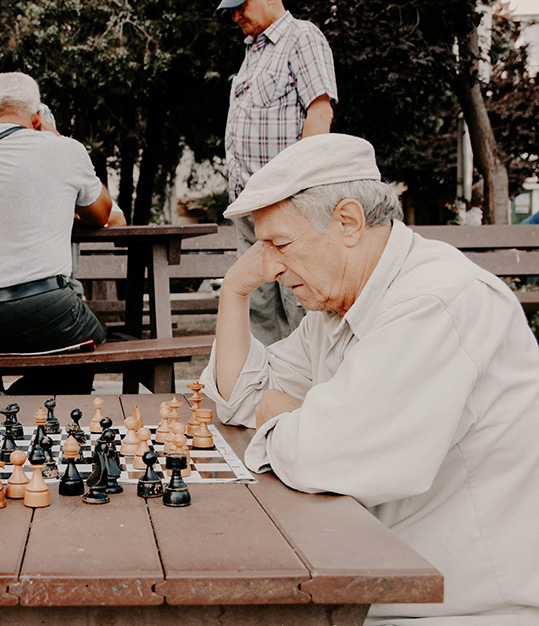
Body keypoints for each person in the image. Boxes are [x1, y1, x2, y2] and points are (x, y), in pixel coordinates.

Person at [199, 134, 539, 624]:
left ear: (348, 222)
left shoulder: (435, 303)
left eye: (280, 244)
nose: (269, 267)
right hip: (376, 578)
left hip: (461, 606)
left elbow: (324, 455)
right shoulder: (338, 304)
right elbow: (242, 401)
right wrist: (233, 291)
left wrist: (292, 415)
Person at [0, 72, 114, 395]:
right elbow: (101, 214)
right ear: (37, 118)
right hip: (44, 311)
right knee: (93, 340)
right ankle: (15, 403)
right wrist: (56, 136)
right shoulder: (65, 149)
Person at [216, 0, 337, 345]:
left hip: (286, 202)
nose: (235, 15)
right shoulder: (253, 51)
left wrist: (297, 191)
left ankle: (309, 394)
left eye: (241, 5)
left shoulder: (302, 37)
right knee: (259, 308)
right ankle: (268, 392)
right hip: (248, 205)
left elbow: (319, 114)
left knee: (299, 304)